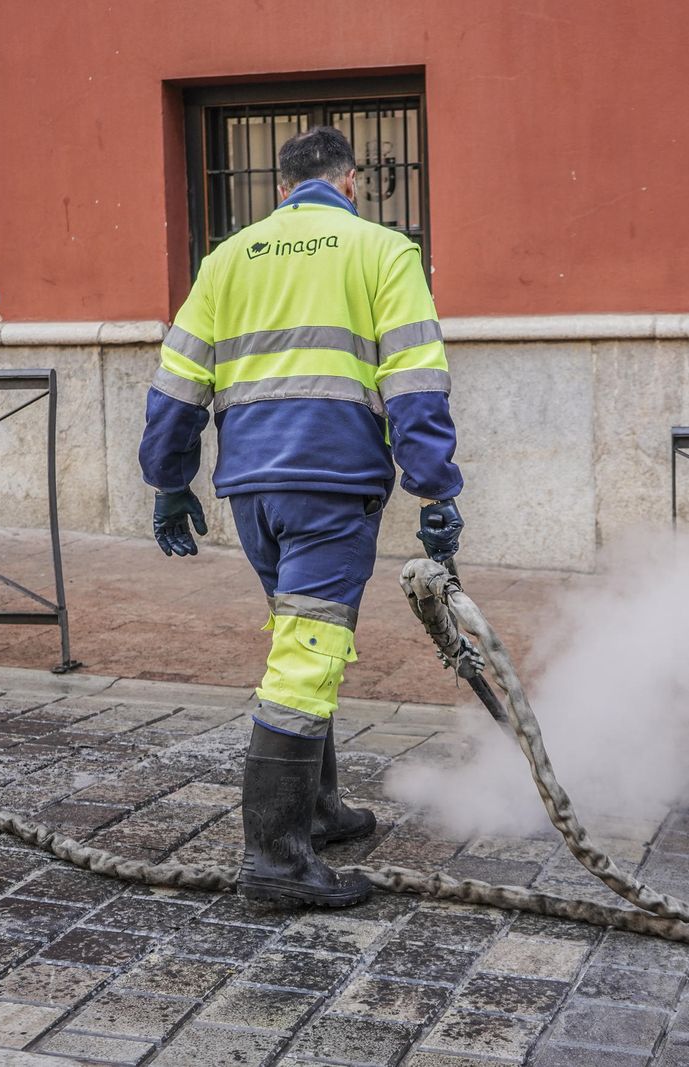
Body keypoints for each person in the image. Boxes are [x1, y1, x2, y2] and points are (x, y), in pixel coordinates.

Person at [138, 126, 464, 907]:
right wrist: (434, 489)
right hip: (330, 485)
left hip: (252, 491)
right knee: (308, 653)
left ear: (281, 189)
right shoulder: (382, 251)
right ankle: (277, 860)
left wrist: (168, 480)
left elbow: (177, 382)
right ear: (349, 183)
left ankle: (318, 810)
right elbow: (415, 380)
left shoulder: (226, 259)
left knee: (301, 639)